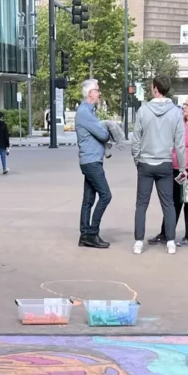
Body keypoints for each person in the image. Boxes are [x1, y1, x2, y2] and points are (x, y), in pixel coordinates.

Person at [131, 75, 186, 255]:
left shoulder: (143, 110)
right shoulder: (176, 112)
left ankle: (138, 241)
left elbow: (136, 139)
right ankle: (170, 241)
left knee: (141, 204)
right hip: (165, 163)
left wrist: (137, 159)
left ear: (155, 88)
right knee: (168, 204)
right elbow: (179, 143)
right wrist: (183, 167)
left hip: (146, 162)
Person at [148, 95, 188, 248]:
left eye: (187, 105)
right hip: (176, 168)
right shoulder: (179, 123)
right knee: (172, 203)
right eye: (183, 105)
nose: (183, 107)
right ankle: (166, 233)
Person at [75, 78, 112, 250]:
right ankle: (92, 233)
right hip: (91, 162)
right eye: (97, 90)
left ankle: (85, 235)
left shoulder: (88, 111)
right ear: (90, 94)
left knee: (88, 199)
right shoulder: (85, 112)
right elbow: (103, 135)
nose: (99, 92)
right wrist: (106, 129)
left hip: (91, 160)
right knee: (106, 195)